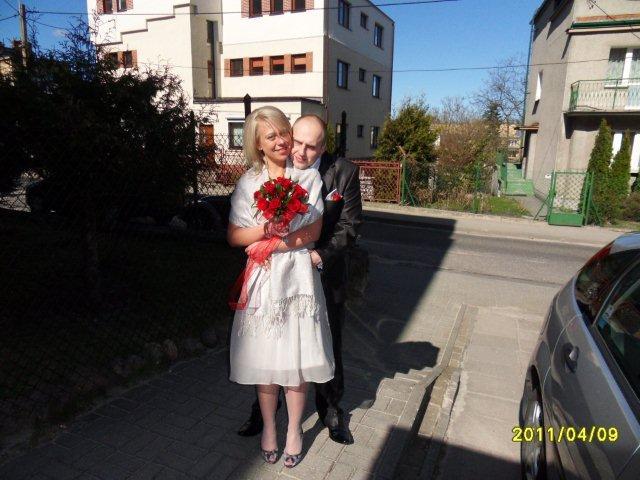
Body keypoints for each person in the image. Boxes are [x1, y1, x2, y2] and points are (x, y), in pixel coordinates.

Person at [237, 114, 363, 445]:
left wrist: (318, 256)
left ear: (323, 147)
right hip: (278, 274)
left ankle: (330, 409)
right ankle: (264, 409)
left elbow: (349, 226)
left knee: (327, 341)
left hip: (323, 271)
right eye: (298, 142)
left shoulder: (344, 172)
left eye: (311, 146)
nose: (300, 152)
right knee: (272, 340)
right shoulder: (276, 165)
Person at [227, 107, 335, 468]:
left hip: (298, 280)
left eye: (283, 132)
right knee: (266, 359)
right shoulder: (248, 183)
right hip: (263, 281)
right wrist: (264, 230)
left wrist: (270, 244)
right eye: (270, 136)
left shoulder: (307, 178)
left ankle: (294, 431)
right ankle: (270, 428)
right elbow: (235, 236)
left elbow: (313, 231)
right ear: (258, 144)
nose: (281, 141)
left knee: (296, 359)